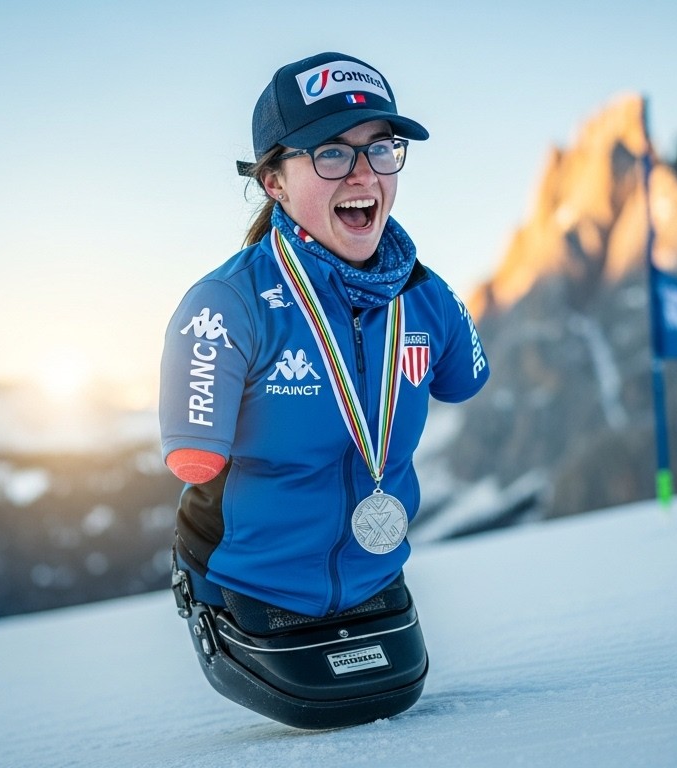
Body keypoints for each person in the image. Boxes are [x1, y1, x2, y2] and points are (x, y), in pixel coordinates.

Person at [158, 51, 490, 729]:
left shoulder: (426, 297)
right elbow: (193, 459)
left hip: (377, 582)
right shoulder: (228, 304)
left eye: (380, 148)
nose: (364, 173)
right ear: (274, 181)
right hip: (252, 589)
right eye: (332, 153)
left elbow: (465, 381)